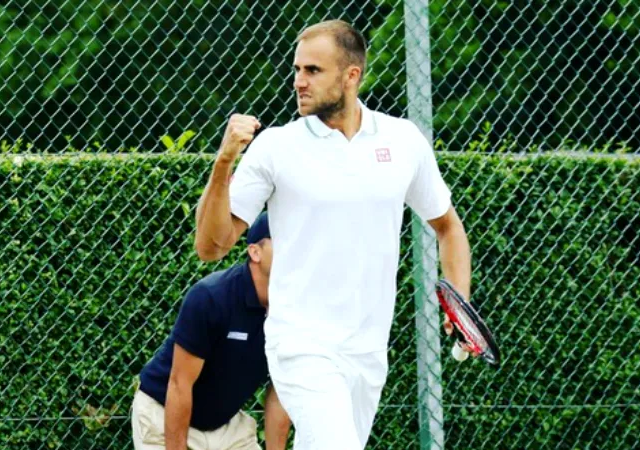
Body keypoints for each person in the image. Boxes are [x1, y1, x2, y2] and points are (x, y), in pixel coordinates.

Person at [194, 19, 471, 450]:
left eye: (312, 71)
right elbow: (210, 247)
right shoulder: (276, 147)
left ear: (351, 76)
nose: (298, 82)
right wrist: (223, 163)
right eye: (297, 69)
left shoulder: (403, 141)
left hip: (368, 350)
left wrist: (459, 302)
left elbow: (447, 226)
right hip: (301, 345)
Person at [132, 213, 291, 450]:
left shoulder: (298, 311)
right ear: (255, 252)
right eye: (283, 238)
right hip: (163, 417)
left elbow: (279, 394)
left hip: (226, 428)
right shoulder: (212, 297)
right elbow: (179, 385)